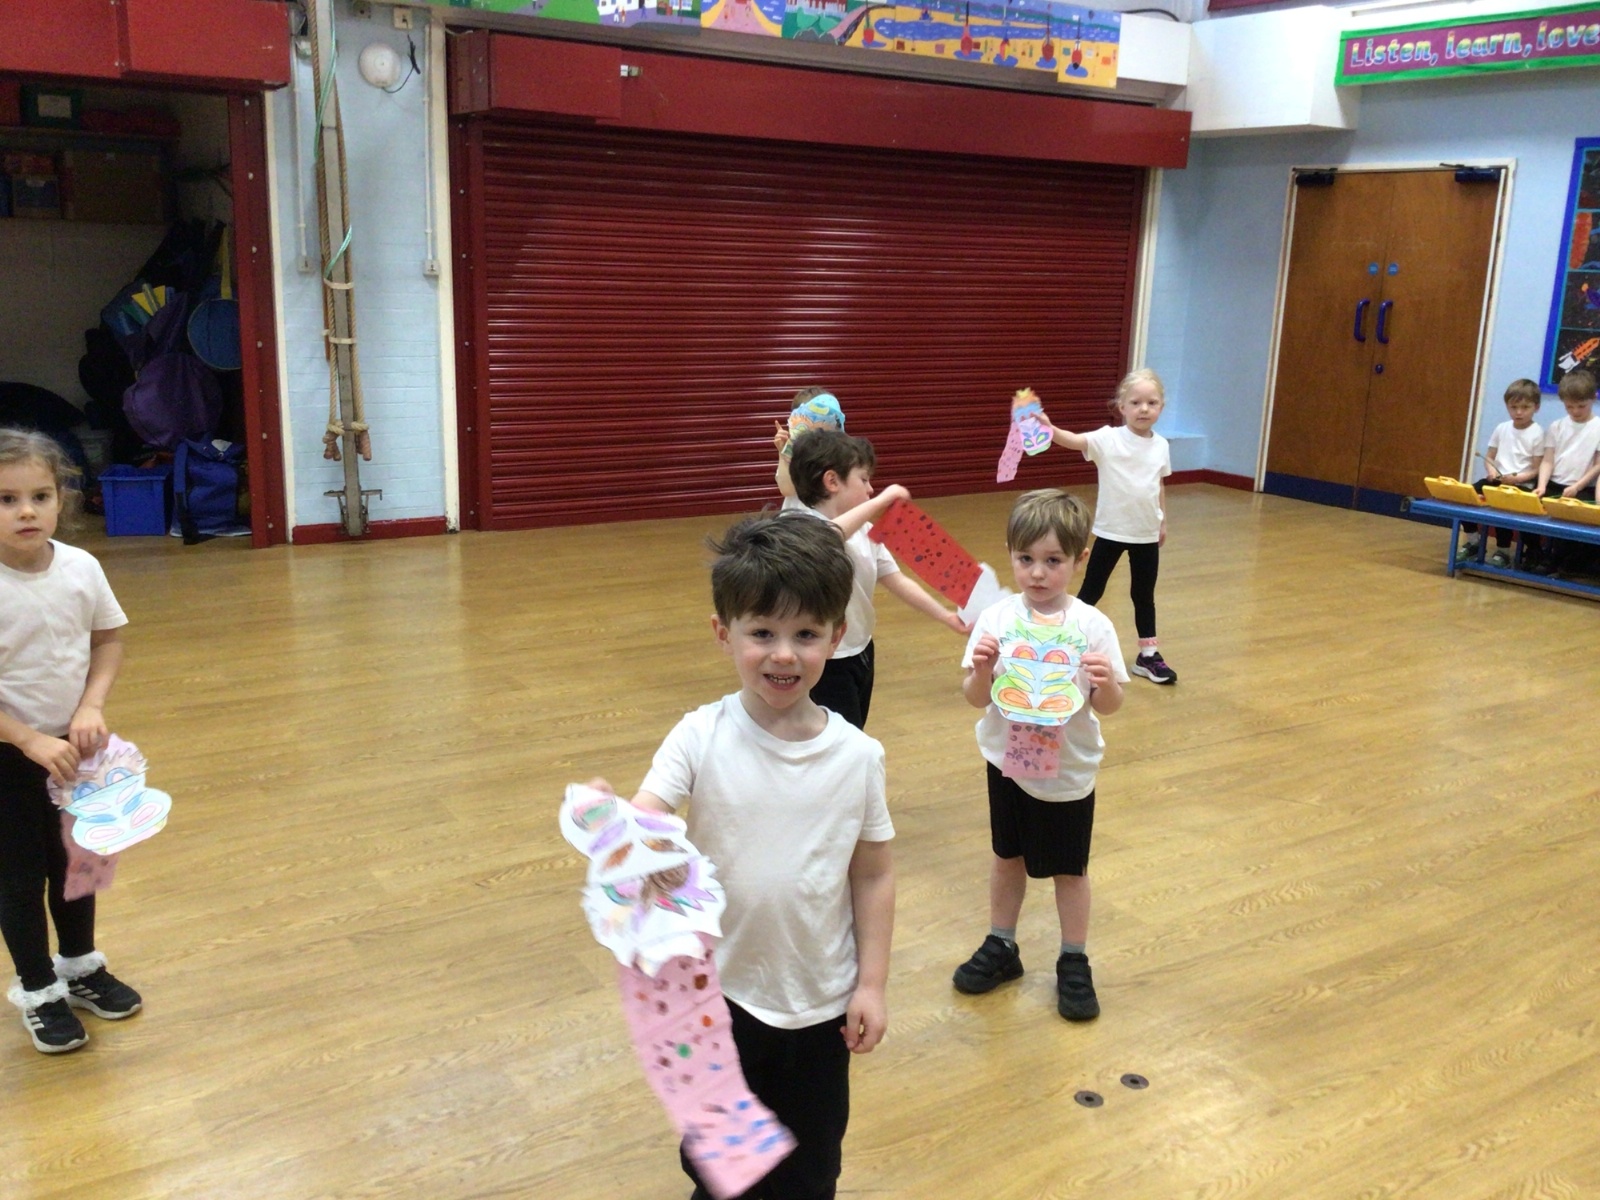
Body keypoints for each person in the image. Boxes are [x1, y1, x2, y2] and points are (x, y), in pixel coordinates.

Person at [592, 512, 895, 1200]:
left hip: (820, 1003)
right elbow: (649, 813)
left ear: (837, 636)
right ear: (723, 632)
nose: (783, 655)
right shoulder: (700, 735)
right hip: (717, 996)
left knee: (810, 1170)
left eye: (806, 634)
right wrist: (627, 833)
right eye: (762, 633)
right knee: (718, 1167)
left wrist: (872, 984)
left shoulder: (858, 756)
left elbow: (874, 873)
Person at [952, 489, 1126, 1022]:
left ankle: (1074, 958)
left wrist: (1104, 683)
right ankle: (1002, 943)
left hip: (1068, 771)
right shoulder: (997, 619)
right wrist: (983, 670)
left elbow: (1111, 705)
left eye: (1053, 561)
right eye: (1025, 558)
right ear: (1011, 553)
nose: (1037, 573)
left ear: (1080, 559)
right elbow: (975, 697)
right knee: (1007, 856)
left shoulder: (1092, 626)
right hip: (1006, 762)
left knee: (1069, 870)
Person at [0, 427, 142, 1054]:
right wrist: (28, 739)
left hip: (76, 753)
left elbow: (107, 639)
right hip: (9, 756)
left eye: (39, 496)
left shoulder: (82, 567)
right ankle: (39, 989)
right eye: (6, 500)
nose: (26, 511)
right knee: (18, 877)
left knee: (78, 864)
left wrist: (90, 705)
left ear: (62, 498)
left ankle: (80, 966)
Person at [788, 429, 969, 729]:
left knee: (855, 730)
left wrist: (946, 616)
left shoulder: (863, 530)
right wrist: (883, 500)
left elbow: (896, 579)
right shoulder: (798, 525)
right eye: (864, 479)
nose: (871, 489)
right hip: (825, 659)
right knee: (839, 739)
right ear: (832, 481)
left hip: (860, 648)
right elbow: (825, 538)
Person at [1037, 368, 1176, 684]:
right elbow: (1074, 441)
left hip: (1145, 534)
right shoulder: (1108, 439)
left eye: (1151, 403)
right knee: (1092, 589)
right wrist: (1050, 428)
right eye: (1136, 403)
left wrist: (1162, 521)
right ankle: (1063, 640)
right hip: (1112, 532)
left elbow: (1159, 484)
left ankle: (1148, 655)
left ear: (1161, 407)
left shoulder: (1161, 446)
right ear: (1122, 407)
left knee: (1144, 594)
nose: (1144, 409)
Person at [1459, 379, 1544, 567]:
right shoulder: (1502, 428)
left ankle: (1504, 552)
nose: (1519, 412)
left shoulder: (1538, 433)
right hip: (1498, 480)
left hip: (1521, 484)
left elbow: (1536, 469)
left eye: (1525, 407)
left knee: (1502, 506)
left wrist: (1516, 478)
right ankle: (1473, 542)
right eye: (1514, 407)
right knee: (1466, 496)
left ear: (1536, 407)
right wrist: (1491, 471)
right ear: (1507, 406)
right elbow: (1490, 456)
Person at [1530, 369, 1600, 575]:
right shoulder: (1557, 426)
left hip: (1582, 488)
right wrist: (1541, 485)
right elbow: (1548, 460)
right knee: (1527, 507)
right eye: (1570, 407)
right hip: (1554, 484)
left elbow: (1598, 465)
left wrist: (1577, 486)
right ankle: (1536, 553)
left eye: (1581, 406)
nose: (1575, 411)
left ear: (1593, 398)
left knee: (1572, 519)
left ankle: (1559, 561)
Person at [772, 386, 846, 504]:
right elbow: (787, 489)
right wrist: (784, 452)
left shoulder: (843, 455)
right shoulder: (795, 453)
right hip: (798, 514)